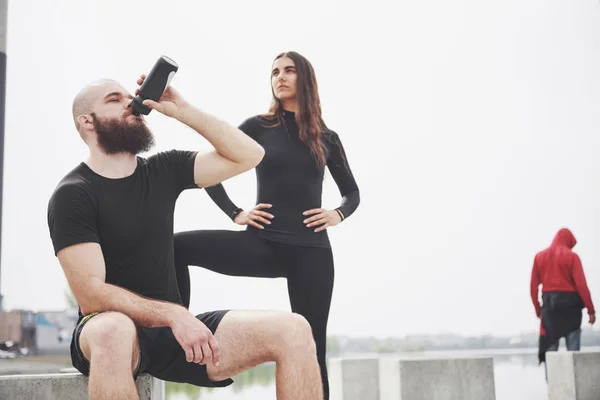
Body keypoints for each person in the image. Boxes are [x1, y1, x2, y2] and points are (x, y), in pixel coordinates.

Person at [46, 74, 323, 400]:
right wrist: (175, 315)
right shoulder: (73, 194)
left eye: (128, 96)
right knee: (113, 330)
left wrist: (182, 109)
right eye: (114, 99)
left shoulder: (164, 169)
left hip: (172, 336)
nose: (130, 103)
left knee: (295, 330)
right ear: (87, 122)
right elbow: (91, 294)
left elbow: (249, 155)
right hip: (106, 330)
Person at [174, 51, 360, 399]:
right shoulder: (258, 127)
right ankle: (174, 333)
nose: (280, 77)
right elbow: (210, 174)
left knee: (313, 347)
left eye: (289, 70)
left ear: (305, 78)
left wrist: (337, 213)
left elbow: (351, 192)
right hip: (262, 245)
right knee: (177, 246)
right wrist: (235, 212)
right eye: (275, 71)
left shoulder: (327, 138)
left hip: (311, 254)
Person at [530, 227, 596, 379]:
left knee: (550, 354)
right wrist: (591, 310)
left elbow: (533, 286)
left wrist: (538, 309)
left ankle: (552, 389)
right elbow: (582, 286)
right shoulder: (572, 257)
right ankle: (575, 386)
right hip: (571, 310)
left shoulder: (540, 257)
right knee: (573, 354)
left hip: (550, 311)